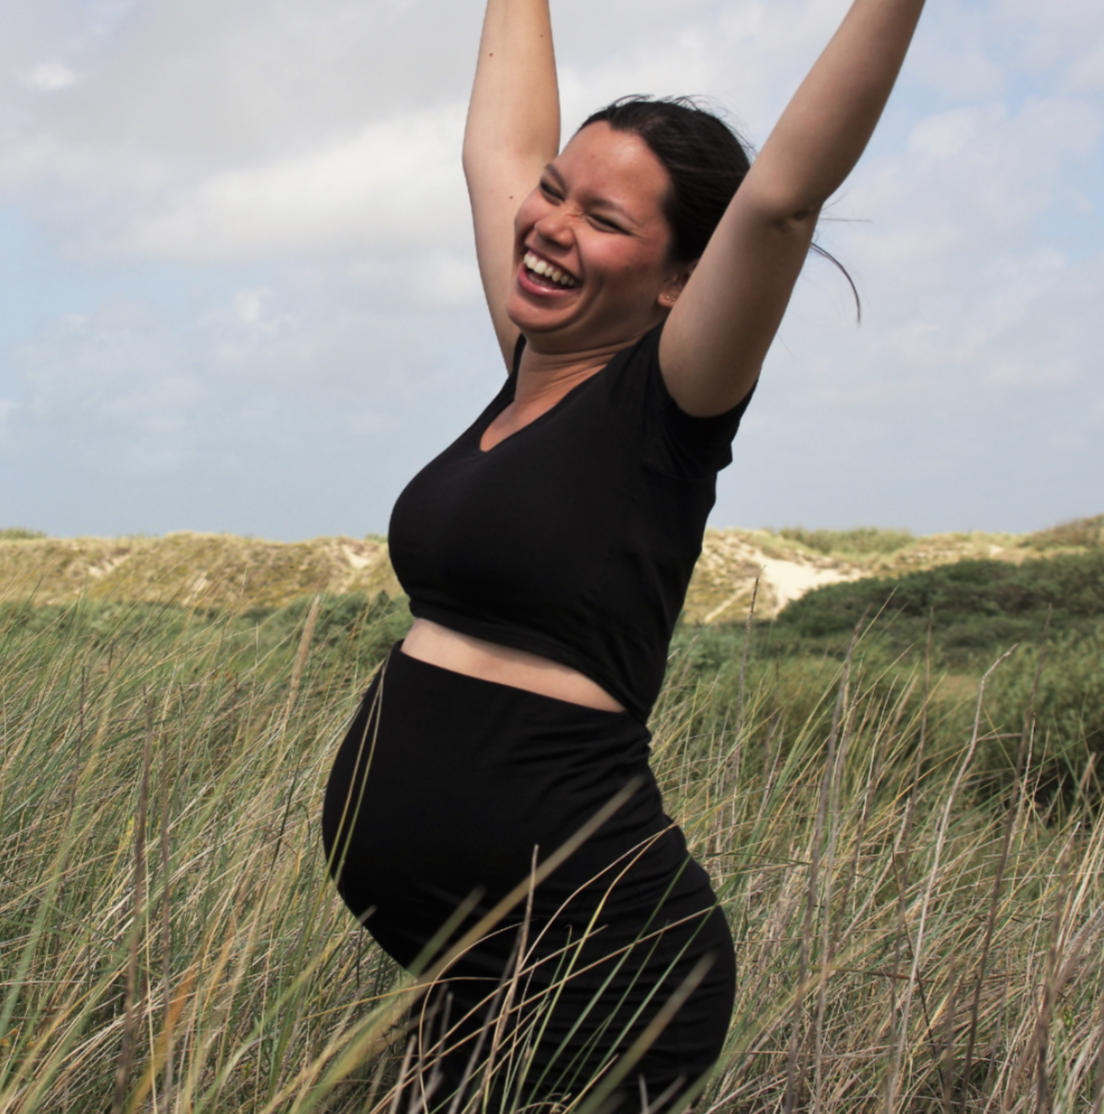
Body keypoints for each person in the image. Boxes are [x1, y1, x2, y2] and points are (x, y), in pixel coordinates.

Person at [323, 0, 926, 1109]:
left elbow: (783, 200)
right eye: (554, 190)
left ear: (679, 282)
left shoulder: (668, 401)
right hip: (477, 971)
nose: (548, 222)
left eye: (601, 218)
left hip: (612, 970)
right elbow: (493, 150)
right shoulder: (530, 359)